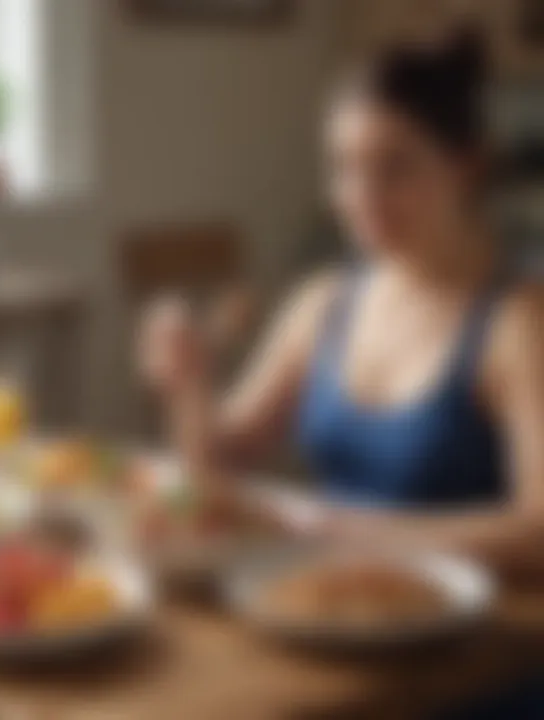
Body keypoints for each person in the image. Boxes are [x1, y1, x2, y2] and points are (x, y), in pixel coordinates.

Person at [139, 27, 544, 719]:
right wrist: (189, 381)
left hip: (468, 674)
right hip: (332, 639)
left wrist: (346, 530)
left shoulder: (518, 320)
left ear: (466, 166)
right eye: (345, 166)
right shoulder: (324, 302)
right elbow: (215, 473)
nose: (362, 195)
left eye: (396, 168)